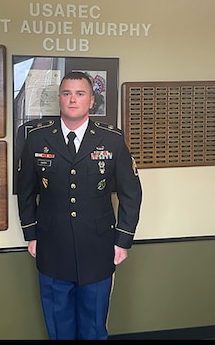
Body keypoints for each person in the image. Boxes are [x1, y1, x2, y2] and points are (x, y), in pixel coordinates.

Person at [16, 71, 143, 340]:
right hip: (52, 246)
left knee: (93, 327)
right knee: (58, 326)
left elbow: (131, 193)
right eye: (67, 93)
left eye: (80, 93)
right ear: (59, 99)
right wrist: (31, 235)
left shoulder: (112, 140)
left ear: (91, 101)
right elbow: (25, 191)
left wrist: (123, 241)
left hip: (98, 247)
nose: (73, 99)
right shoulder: (37, 139)